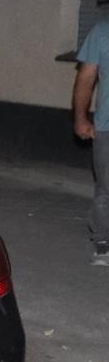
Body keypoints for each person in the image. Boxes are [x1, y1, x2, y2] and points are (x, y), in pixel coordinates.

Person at [72, 15, 109, 264]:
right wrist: (80, 117)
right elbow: (86, 77)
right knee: (106, 186)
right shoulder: (102, 31)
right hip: (107, 126)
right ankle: (103, 242)